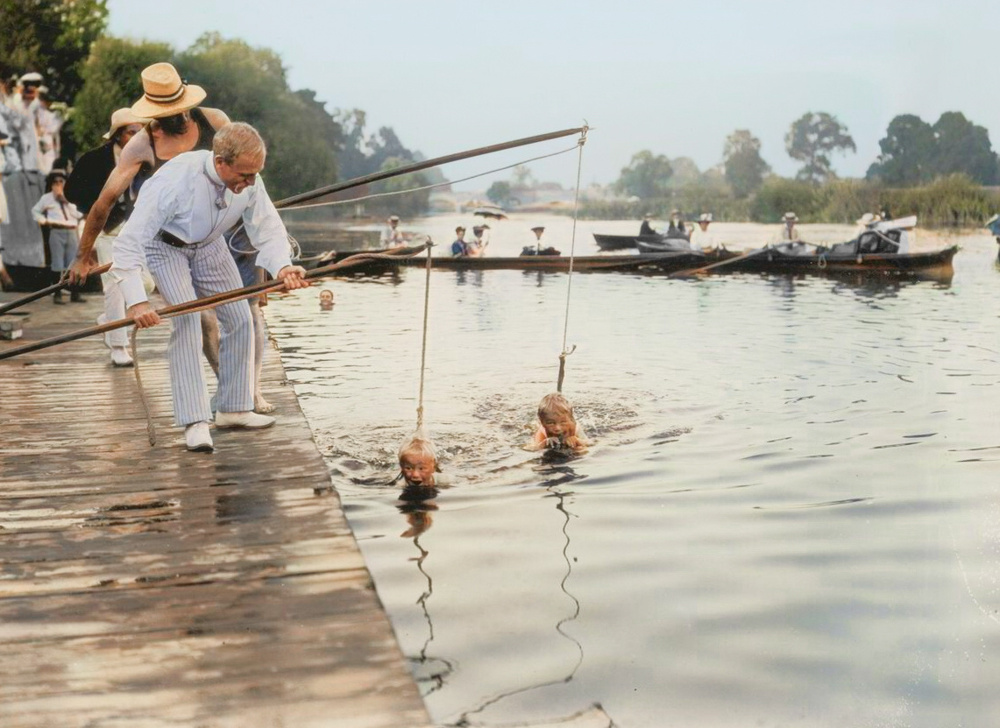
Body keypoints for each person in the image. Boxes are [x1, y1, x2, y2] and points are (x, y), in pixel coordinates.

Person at [111, 122, 310, 452]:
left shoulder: (250, 179)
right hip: (165, 247)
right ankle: (195, 420)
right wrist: (137, 301)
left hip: (210, 245)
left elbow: (268, 228)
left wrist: (284, 266)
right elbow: (127, 244)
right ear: (221, 162)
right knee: (189, 321)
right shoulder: (175, 181)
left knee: (240, 318)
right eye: (245, 176)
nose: (250, 183)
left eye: (254, 175)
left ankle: (233, 409)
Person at [67, 62, 231, 285]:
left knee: (242, 311)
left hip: (217, 225)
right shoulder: (141, 144)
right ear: (156, 115)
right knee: (199, 315)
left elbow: (246, 171)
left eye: (182, 109)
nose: (180, 119)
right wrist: (81, 258)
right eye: (170, 115)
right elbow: (105, 202)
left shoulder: (216, 121)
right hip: (169, 239)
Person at [65, 107, 149, 365]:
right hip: (107, 230)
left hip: (135, 228)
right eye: (130, 133)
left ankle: (108, 320)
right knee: (114, 286)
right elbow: (72, 191)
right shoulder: (94, 160)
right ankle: (118, 347)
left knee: (145, 284)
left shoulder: (147, 157)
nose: (136, 137)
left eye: (139, 132)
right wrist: (94, 212)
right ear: (117, 136)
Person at [31, 169, 84, 303]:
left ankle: (75, 294)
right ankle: (57, 294)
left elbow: (79, 214)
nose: (58, 184)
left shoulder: (70, 196)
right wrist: (44, 221)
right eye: (55, 182)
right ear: (51, 184)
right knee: (57, 264)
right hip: (56, 231)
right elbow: (35, 211)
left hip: (71, 231)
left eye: (61, 181)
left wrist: (64, 200)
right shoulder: (47, 198)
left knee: (72, 263)